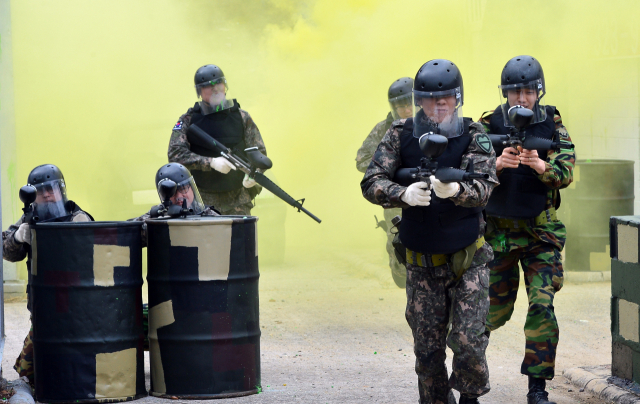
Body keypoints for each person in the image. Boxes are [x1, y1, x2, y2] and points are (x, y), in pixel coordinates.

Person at [361, 60, 498, 404]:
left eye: (446, 99)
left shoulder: (474, 135)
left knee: (468, 342)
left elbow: (486, 186)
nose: (439, 106)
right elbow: (371, 180)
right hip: (422, 263)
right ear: (419, 101)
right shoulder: (399, 133)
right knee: (428, 352)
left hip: (468, 257)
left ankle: (469, 396)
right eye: (431, 100)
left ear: (457, 99)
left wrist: (458, 192)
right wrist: (401, 194)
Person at [479, 56, 575, 404]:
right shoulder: (487, 124)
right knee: (488, 313)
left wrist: (539, 165)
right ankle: (469, 383)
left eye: (527, 91)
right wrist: (496, 165)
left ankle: (537, 387)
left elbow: (567, 173)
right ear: (505, 93)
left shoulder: (553, 125)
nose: (521, 98)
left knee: (541, 306)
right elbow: (468, 175)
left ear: (539, 91)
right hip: (498, 235)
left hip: (541, 236)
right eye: (514, 91)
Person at [2, 164, 93, 384]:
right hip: (45, 311)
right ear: (33, 197)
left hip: (81, 311)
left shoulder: (77, 215)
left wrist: (86, 231)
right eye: (40, 191)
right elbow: (7, 250)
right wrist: (17, 239)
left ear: (61, 190)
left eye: (51, 189)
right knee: (29, 371)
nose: (47, 194)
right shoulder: (29, 220)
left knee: (82, 367)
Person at [168, 64, 267, 215]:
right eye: (208, 86)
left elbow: (259, 152)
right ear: (199, 92)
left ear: (225, 86)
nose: (215, 89)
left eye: (218, 83)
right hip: (202, 203)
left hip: (238, 202)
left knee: (240, 239)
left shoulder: (242, 117)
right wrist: (211, 163)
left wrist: (254, 172)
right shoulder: (188, 120)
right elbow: (175, 154)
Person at [356, 77, 413, 288]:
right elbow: (362, 159)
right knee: (398, 250)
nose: (406, 110)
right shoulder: (385, 129)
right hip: (396, 198)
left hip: (430, 196)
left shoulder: (434, 122)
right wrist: (392, 169)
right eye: (400, 106)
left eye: (409, 104)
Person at [128, 163, 220, 247]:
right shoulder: (159, 215)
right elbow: (126, 235)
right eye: (172, 193)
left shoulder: (210, 215)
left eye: (183, 188)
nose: (179, 197)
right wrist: (158, 226)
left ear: (191, 188)